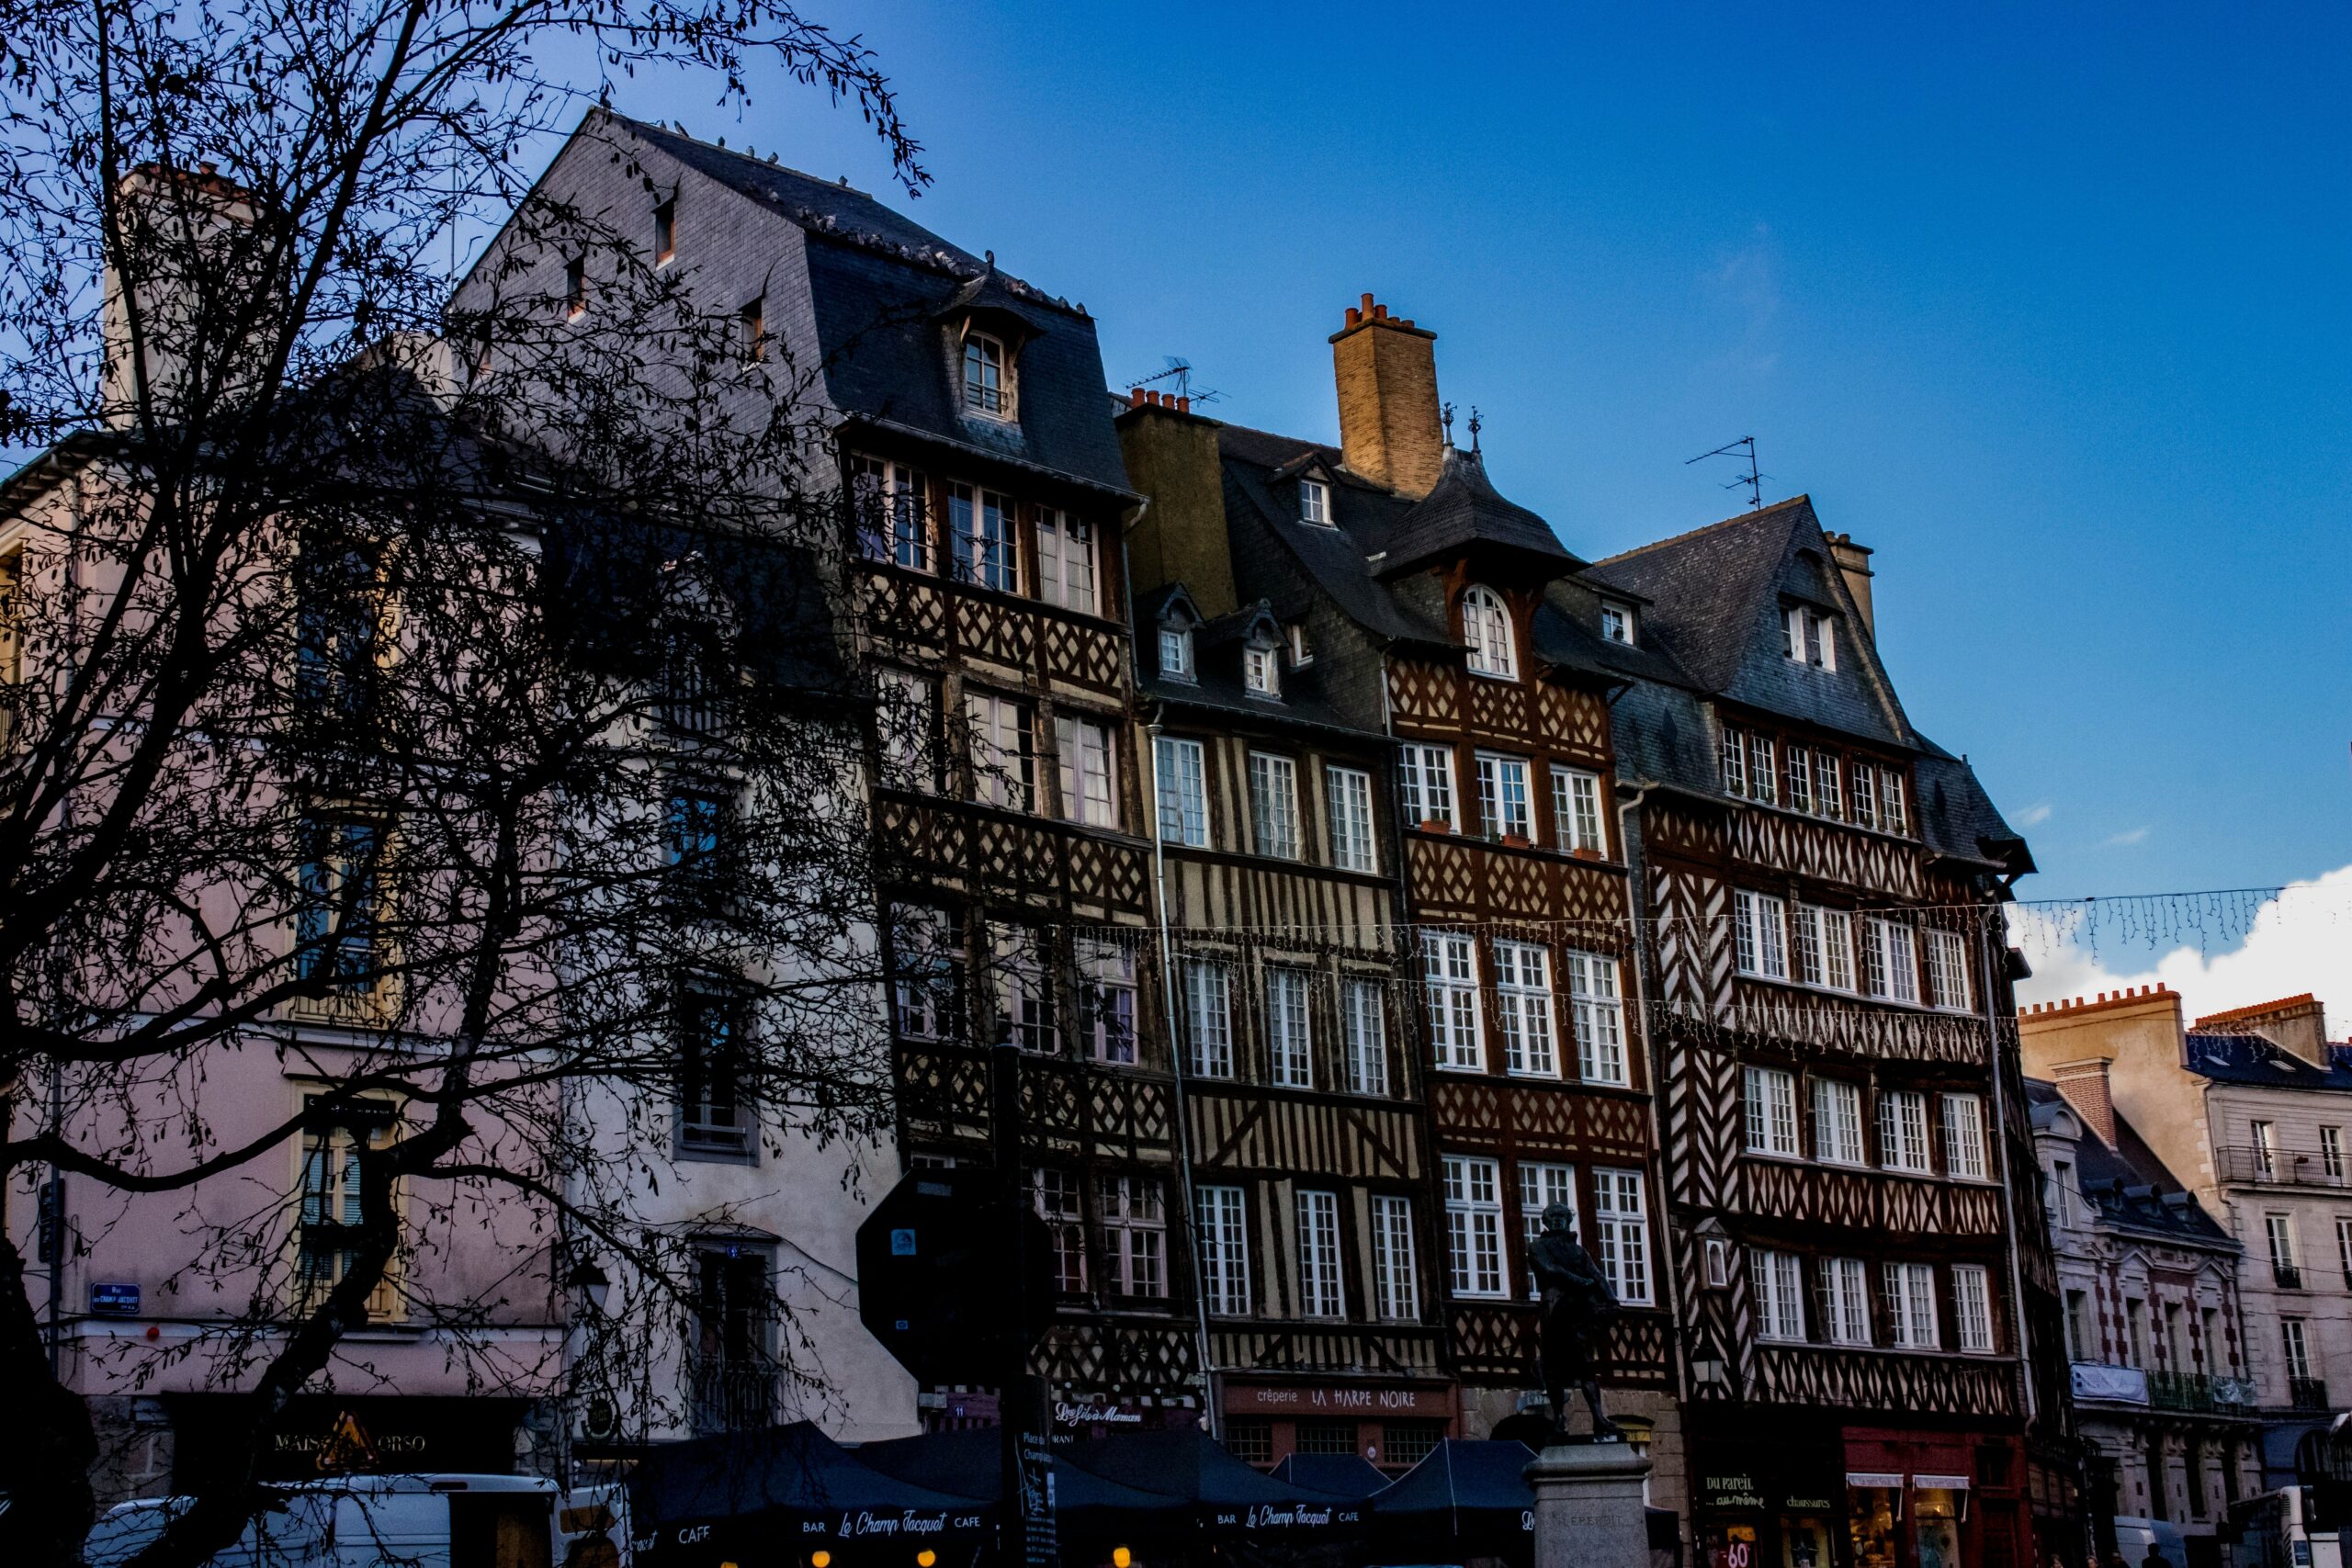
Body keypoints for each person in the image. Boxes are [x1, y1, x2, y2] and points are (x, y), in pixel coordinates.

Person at [1526, 1201, 1622, 1437]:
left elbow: (1597, 1275)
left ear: (1568, 1220)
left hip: (1578, 1312)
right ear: (1546, 1221)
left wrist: (1611, 1300)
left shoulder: (1578, 1251)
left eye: (1562, 1215)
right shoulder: (1537, 1246)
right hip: (1554, 1310)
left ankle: (1598, 1418)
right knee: (1553, 1368)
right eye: (1553, 1216)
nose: (1558, 1219)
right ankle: (1559, 1419)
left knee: (1587, 1365)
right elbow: (1550, 1270)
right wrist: (1578, 1281)